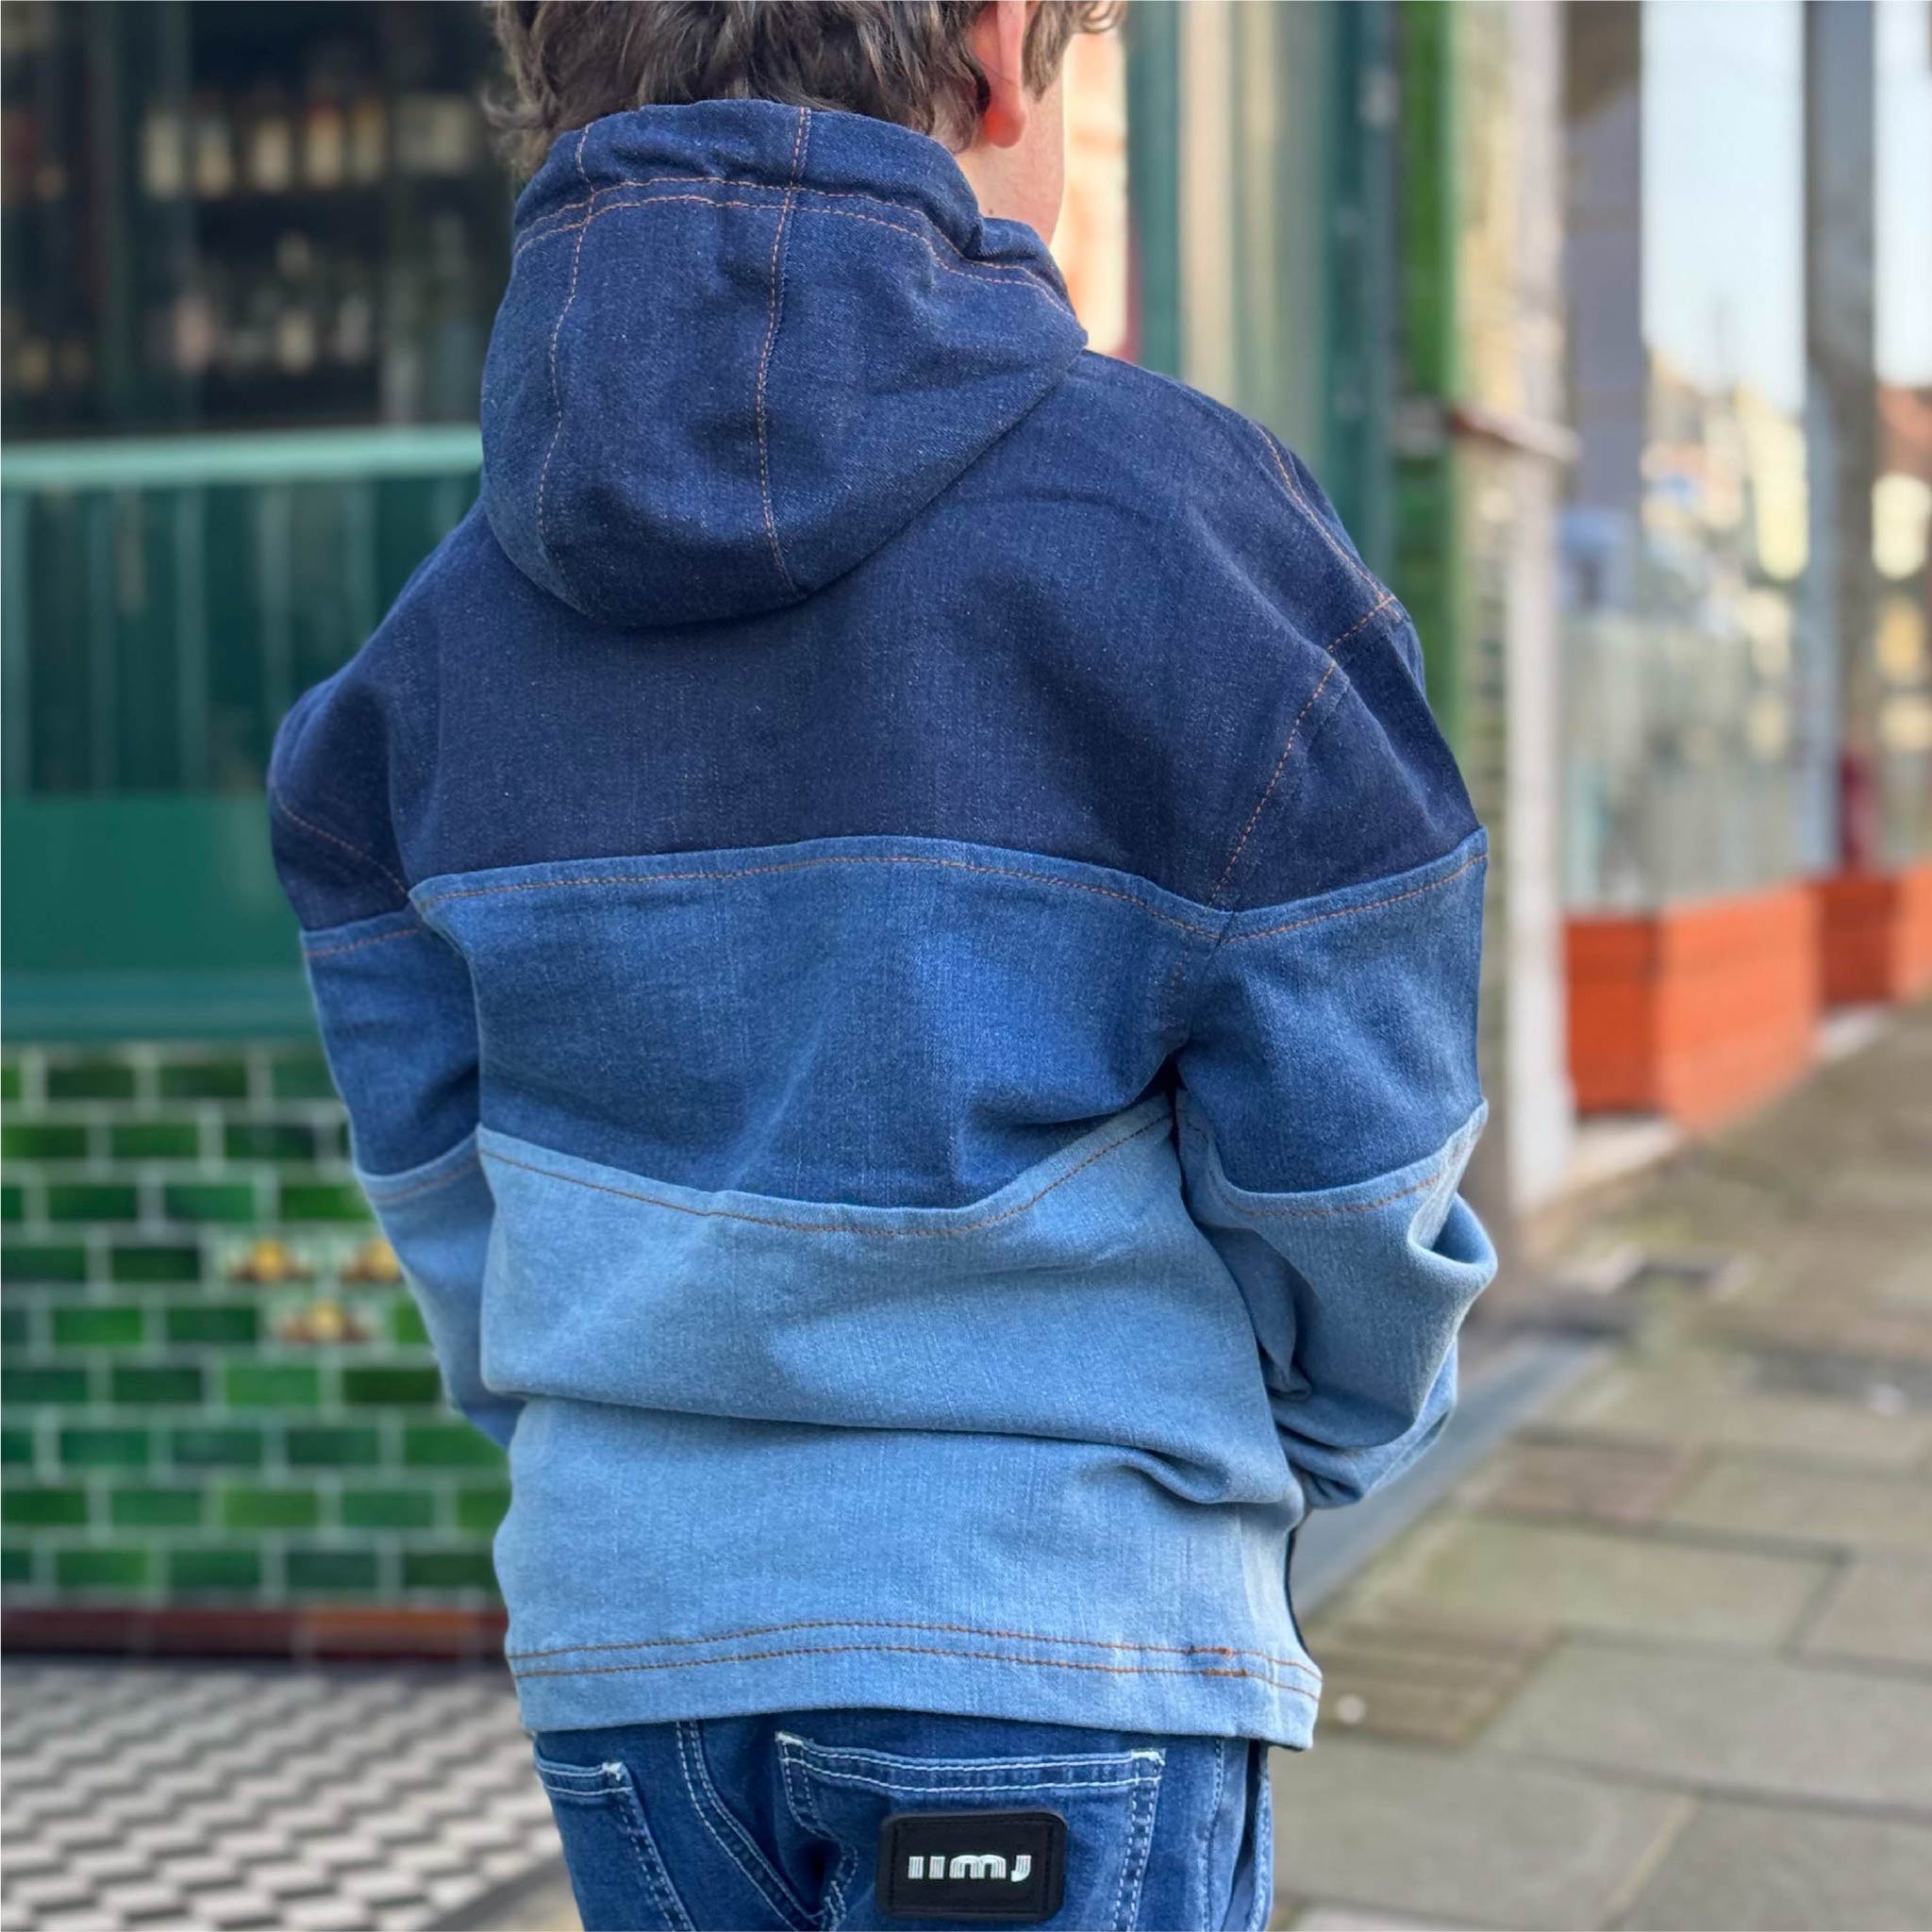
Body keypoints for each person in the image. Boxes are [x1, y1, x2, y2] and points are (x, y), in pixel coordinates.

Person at [268, 3, 1494, 1925]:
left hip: (635, 1651)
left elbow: (443, 1184)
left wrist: (613, 1424)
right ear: (1001, 52)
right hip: (1053, 1625)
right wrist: (1327, 1425)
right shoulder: (1196, 534)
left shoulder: (438, 638)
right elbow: (1358, 1140)